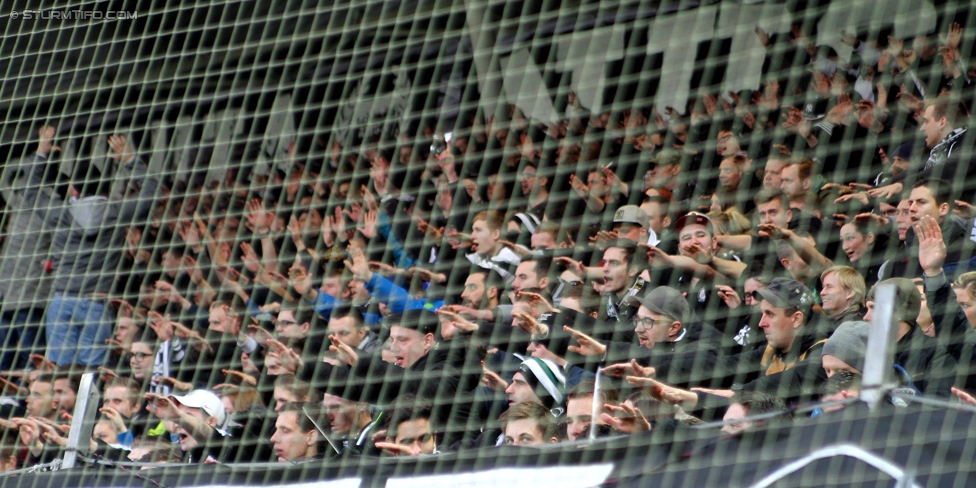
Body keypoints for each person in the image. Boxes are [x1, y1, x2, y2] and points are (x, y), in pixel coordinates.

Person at [41, 134, 160, 367]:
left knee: (60, 373)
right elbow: (150, 192)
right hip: (96, 302)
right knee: (90, 373)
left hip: (62, 299)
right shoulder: (115, 211)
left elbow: (30, 194)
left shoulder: (60, 213)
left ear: (73, 189)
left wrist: (40, 154)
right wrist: (130, 160)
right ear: (106, 189)